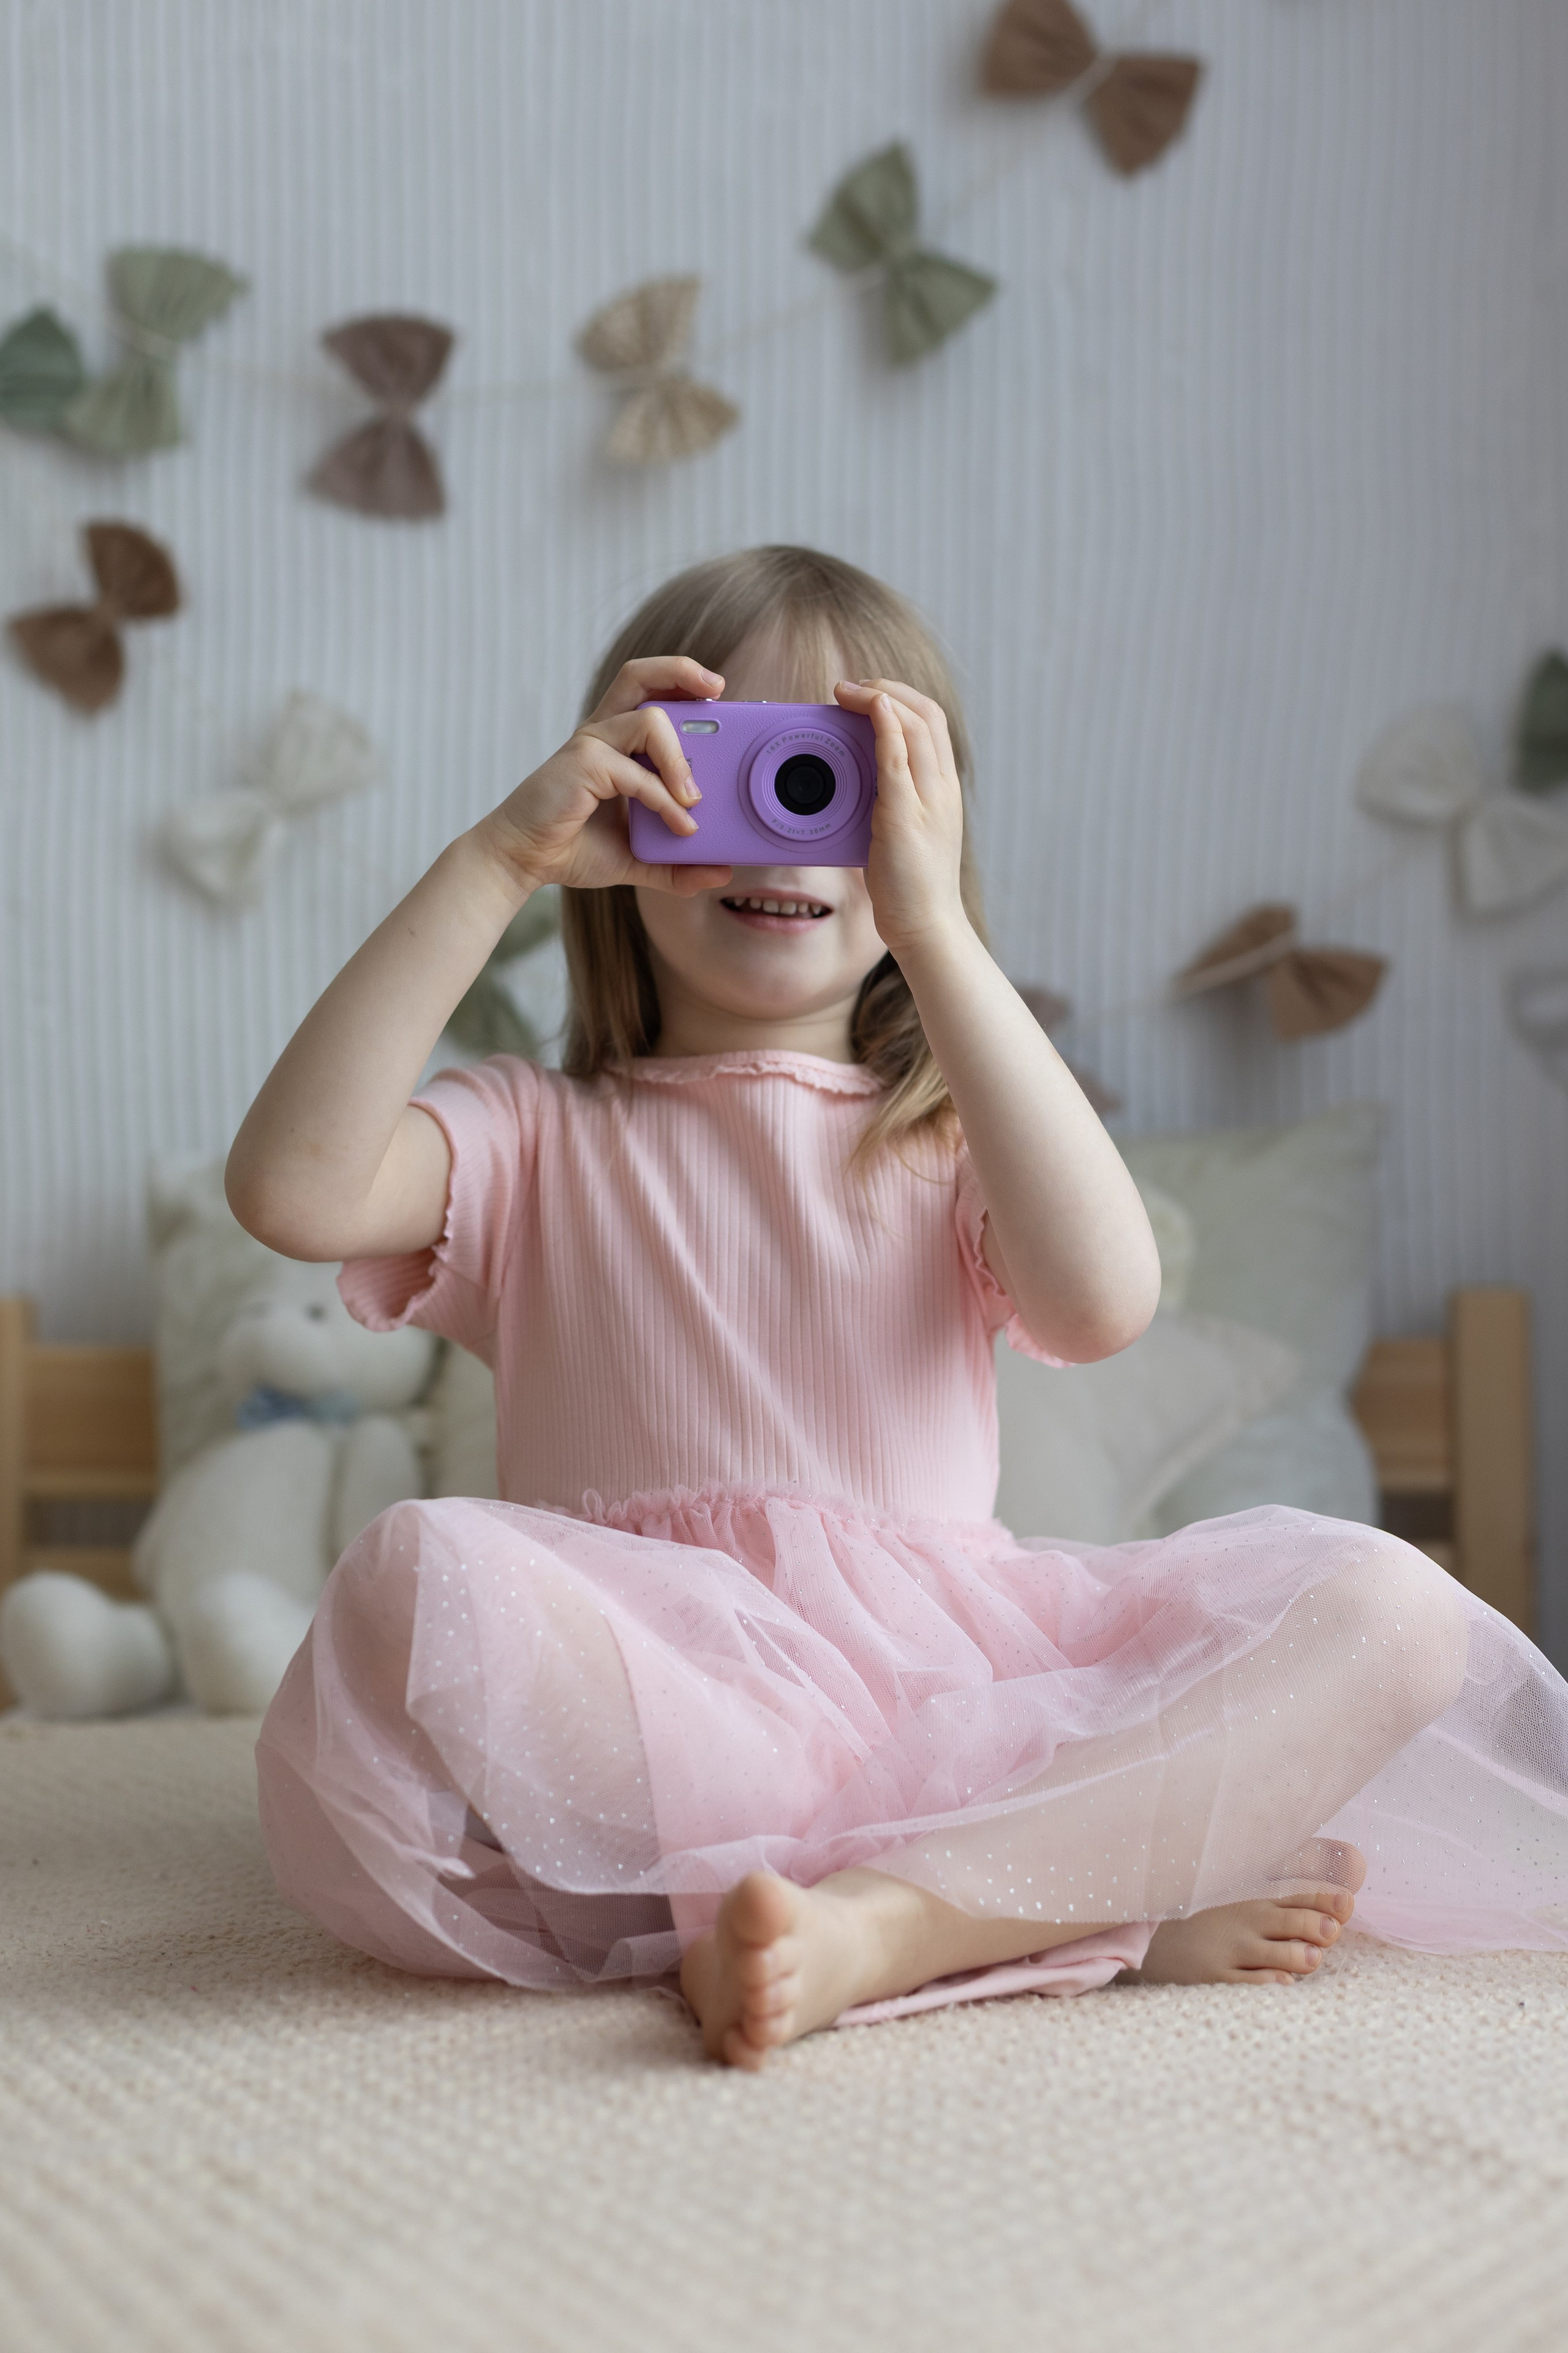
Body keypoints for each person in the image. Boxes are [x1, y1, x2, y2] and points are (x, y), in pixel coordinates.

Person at [237, 545, 1568, 2070]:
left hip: (957, 1699)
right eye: (738, 765)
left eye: (846, 779)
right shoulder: (532, 1131)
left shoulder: (949, 1136)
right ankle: (1061, 1900)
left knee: (1387, 1614)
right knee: (419, 1569)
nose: (791, 826)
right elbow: (295, 1188)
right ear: (625, 792)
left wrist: (935, 931)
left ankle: (905, 1917)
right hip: (671, 1727)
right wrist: (496, 860)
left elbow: (1102, 1301)